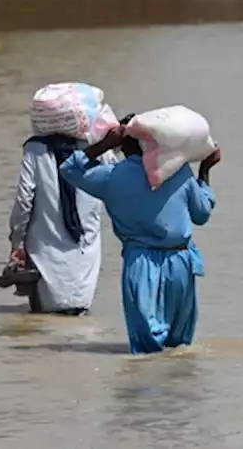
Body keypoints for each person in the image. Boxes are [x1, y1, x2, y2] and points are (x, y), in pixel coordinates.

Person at [58, 118, 219, 354]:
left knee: (145, 349)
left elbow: (69, 169)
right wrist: (204, 172)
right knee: (180, 347)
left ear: (122, 144)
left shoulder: (111, 176)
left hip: (141, 263)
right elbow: (202, 214)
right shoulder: (179, 171)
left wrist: (102, 146)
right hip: (181, 262)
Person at [4, 131, 107, 315]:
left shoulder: (35, 149)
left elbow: (24, 201)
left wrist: (17, 243)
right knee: (81, 321)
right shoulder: (99, 144)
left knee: (42, 321)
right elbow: (116, 182)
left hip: (44, 253)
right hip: (85, 254)